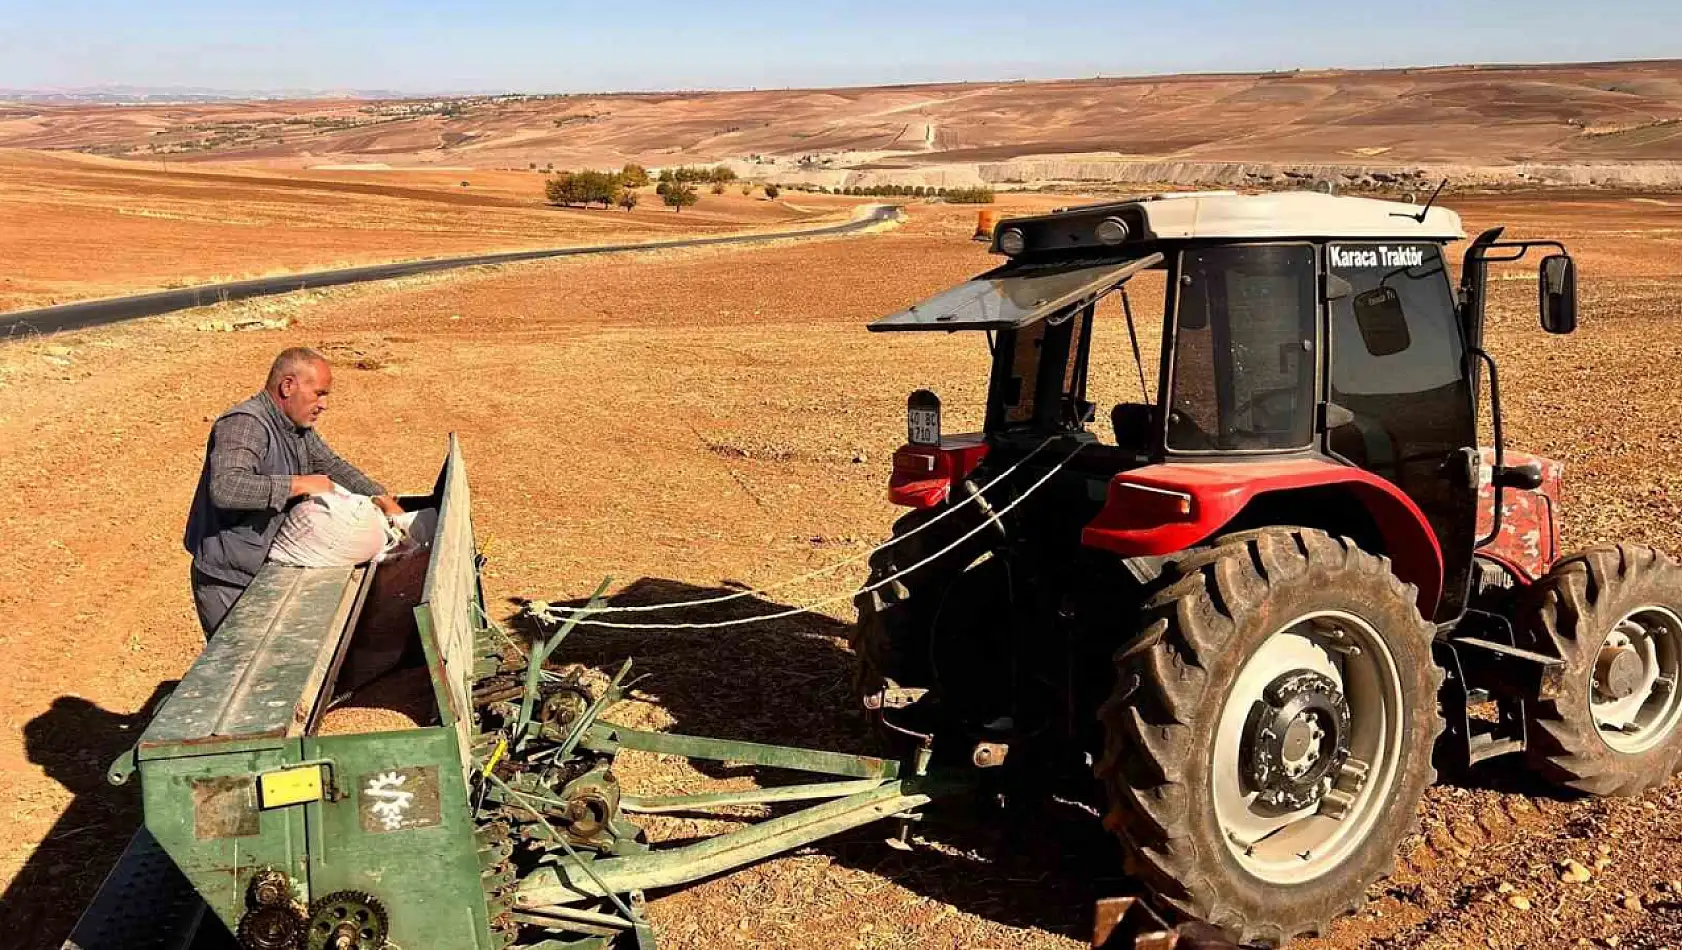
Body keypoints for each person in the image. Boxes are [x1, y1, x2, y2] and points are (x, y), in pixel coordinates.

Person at [183, 347, 401, 636]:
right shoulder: (246, 424)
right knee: (242, 667)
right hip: (230, 580)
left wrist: (382, 498)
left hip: (265, 571)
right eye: (319, 394)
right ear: (288, 386)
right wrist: (297, 484)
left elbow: (331, 465)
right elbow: (227, 487)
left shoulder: (295, 429)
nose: (323, 405)